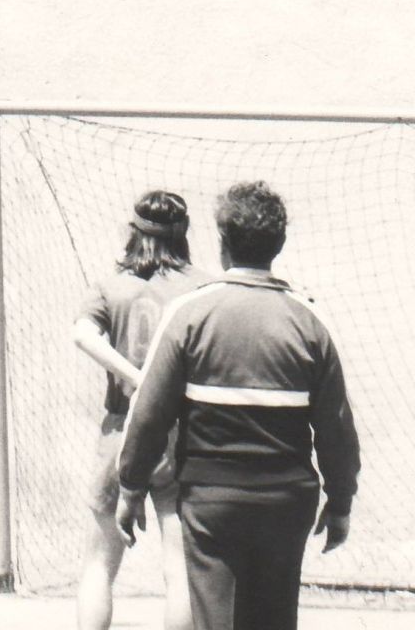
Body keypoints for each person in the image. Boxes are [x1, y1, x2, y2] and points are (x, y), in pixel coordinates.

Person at [116, 181, 361, 630]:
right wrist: (340, 501)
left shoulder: (190, 314)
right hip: (286, 501)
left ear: (223, 243)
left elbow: (149, 416)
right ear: (278, 245)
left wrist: (130, 489)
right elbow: (337, 428)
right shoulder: (310, 322)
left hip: (211, 500)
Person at [74, 190, 210, 630]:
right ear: (183, 233)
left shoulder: (110, 286)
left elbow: (82, 335)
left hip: (121, 432)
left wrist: (134, 377)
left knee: (99, 566)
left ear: (132, 232)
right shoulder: (201, 288)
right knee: (180, 570)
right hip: (181, 434)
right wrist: (158, 384)